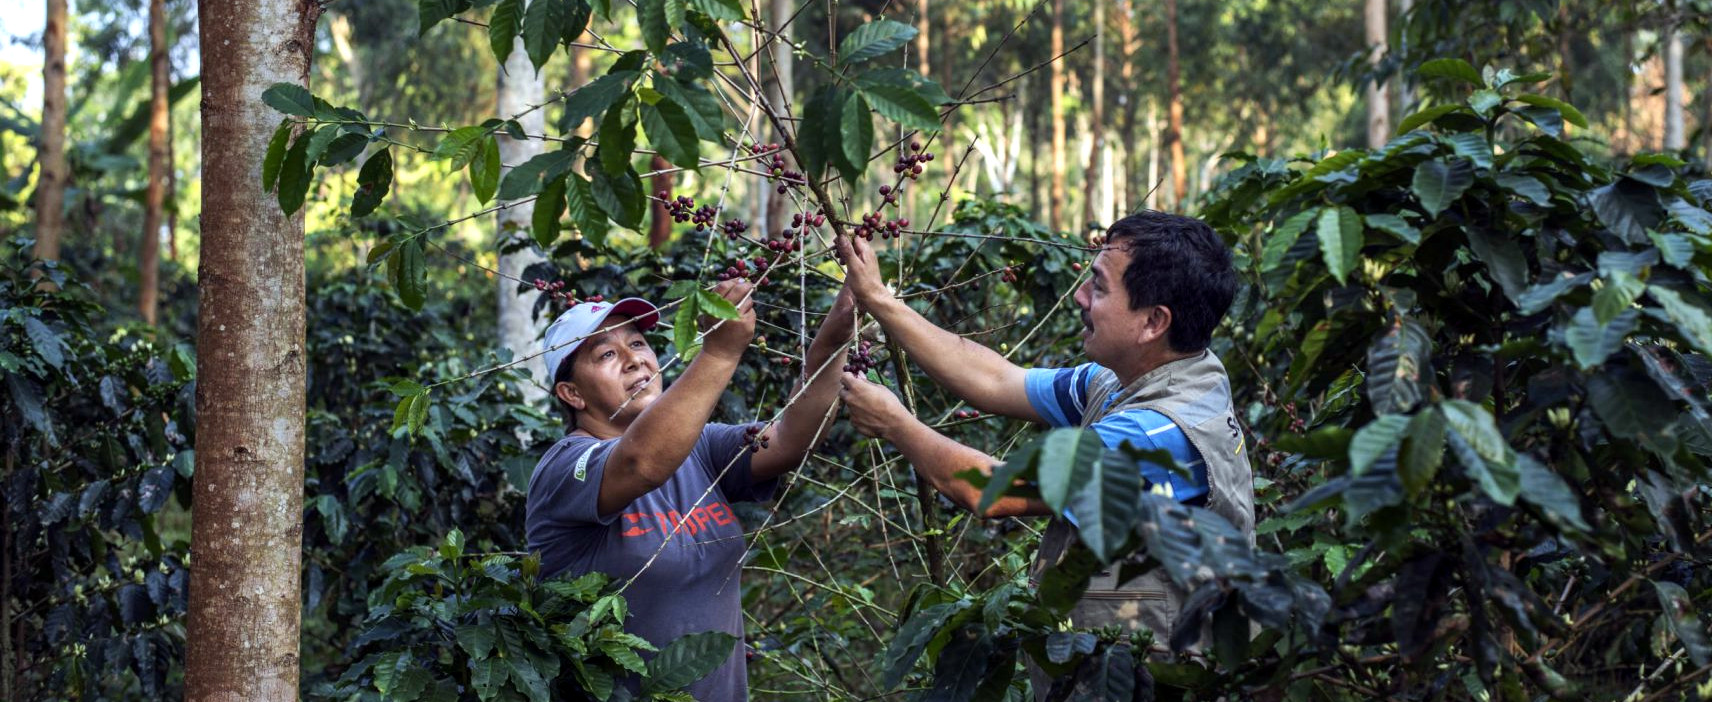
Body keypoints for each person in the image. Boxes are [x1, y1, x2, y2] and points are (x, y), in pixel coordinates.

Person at [836, 210, 1252, 645]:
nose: (1080, 296)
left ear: (1153, 322)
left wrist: (895, 423)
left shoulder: (1154, 437)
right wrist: (880, 300)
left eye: (1100, 288)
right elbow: (998, 380)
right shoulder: (1139, 375)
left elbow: (991, 489)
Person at [525, 279, 853, 700]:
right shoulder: (564, 467)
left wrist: (838, 330)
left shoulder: (699, 446)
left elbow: (790, 440)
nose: (633, 361)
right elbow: (640, 462)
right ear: (572, 394)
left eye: (639, 344)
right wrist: (718, 352)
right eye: (607, 354)